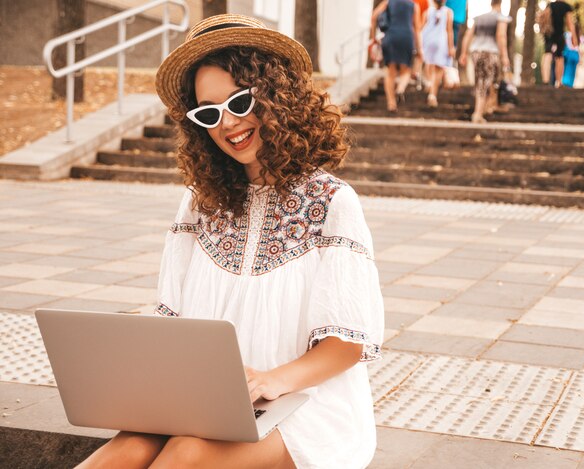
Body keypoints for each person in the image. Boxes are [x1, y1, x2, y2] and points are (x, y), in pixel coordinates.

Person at [77, 14, 384, 469]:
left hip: (303, 403)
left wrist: (271, 381)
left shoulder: (333, 202)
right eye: (209, 112)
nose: (228, 123)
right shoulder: (198, 206)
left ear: (276, 97)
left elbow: (347, 345)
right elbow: (174, 325)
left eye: (239, 101)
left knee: (185, 454)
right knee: (125, 450)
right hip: (204, 400)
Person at [459, 0, 510, 123]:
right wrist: (504, 56)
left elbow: (468, 35)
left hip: (476, 51)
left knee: (481, 81)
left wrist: (463, 53)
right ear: (501, 3)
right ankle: (478, 113)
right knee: (486, 82)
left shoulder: (479, 18)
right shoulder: (501, 18)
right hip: (490, 52)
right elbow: (501, 36)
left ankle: (483, 110)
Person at [371, 0, 422, 113]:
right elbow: (417, 29)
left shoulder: (388, 2)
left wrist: (373, 37)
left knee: (390, 72)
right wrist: (419, 48)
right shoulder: (414, 6)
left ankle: (391, 103)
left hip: (390, 36)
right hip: (407, 37)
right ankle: (400, 89)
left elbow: (374, 16)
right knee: (406, 70)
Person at [421, 0, 455, 107]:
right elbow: (449, 30)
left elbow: (422, 28)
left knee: (429, 63)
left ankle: (429, 82)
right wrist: (451, 47)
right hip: (441, 42)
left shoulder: (427, 12)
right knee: (438, 69)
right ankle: (432, 94)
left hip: (427, 41)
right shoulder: (448, 12)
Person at [540, 0, 578, 87]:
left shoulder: (550, 5)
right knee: (559, 57)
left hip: (548, 32)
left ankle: (545, 81)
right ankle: (559, 82)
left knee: (547, 54)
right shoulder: (566, 6)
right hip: (559, 33)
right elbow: (570, 23)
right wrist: (574, 37)